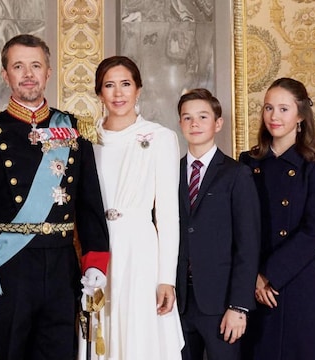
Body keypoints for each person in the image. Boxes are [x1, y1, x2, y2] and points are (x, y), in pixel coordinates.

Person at [0, 34, 110, 360]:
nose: (28, 74)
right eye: (18, 66)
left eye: (35, 65)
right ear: (5, 74)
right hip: (9, 270)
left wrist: (95, 262)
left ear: (48, 72)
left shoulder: (75, 131)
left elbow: (89, 205)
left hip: (61, 270)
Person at [81, 55, 183, 360]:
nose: (118, 93)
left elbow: (167, 214)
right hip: (97, 248)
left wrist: (167, 276)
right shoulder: (86, 141)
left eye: (125, 84)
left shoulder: (160, 138)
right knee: (101, 328)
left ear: (138, 89)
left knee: (139, 334)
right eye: (109, 86)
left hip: (140, 251)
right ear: (99, 93)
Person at [239, 78, 315, 360]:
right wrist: (254, 278)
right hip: (252, 283)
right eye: (269, 108)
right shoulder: (247, 162)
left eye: (283, 109)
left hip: (296, 279)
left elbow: (313, 231)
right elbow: (240, 227)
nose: (274, 116)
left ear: (301, 115)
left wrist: (269, 275)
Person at [175, 88, 260, 360]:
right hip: (179, 301)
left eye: (202, 116)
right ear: (180, 124)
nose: (194, 123)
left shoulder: (236, 174)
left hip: (221, 303)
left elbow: (248, 245)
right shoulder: (169, 172)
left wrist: (239, 306)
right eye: (187, 118)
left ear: (218, 123)